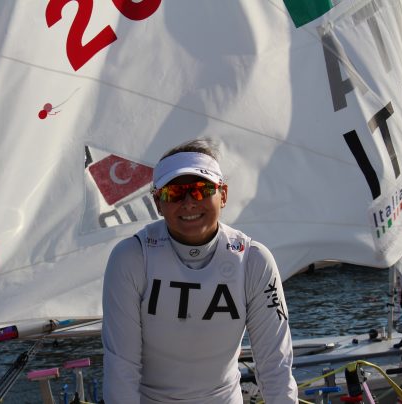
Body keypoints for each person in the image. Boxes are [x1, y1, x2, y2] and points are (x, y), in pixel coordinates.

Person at [102, 139, 298, 403]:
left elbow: (276, 366)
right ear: (158, 202)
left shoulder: (254, 260)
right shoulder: (130, 258)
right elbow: (121, 368)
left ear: (223, 194)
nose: (188, 203)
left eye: (200, 190)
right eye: (174, 193)